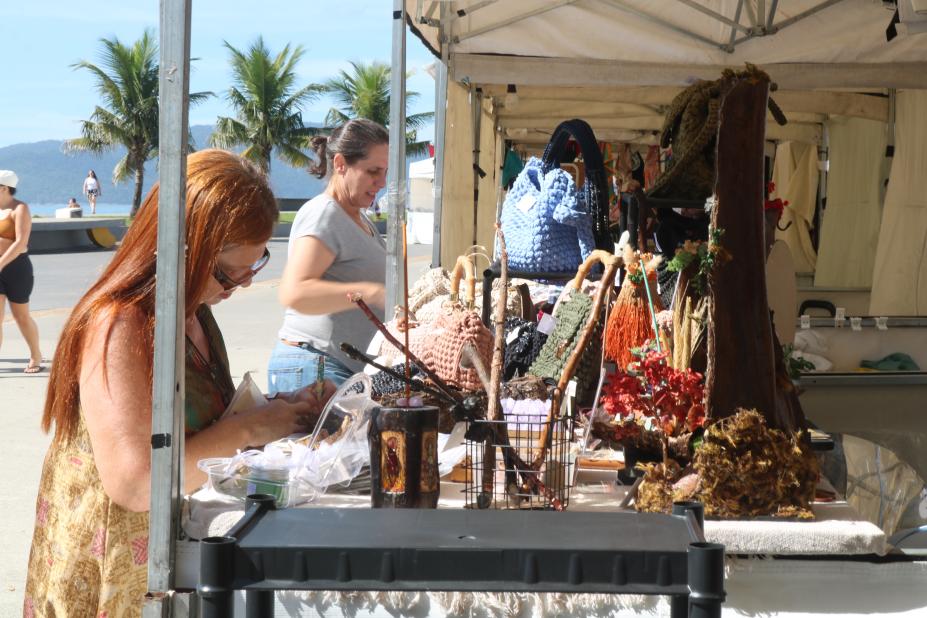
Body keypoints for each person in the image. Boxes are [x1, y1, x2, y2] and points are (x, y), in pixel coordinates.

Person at [23, 150, 335, 616]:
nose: (243, 285)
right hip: (113, 570)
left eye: (256, 266)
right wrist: (250, 429)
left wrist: (278, 411)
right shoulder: (120, 324)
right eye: (228, 273)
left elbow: (198, 429)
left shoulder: (195, 315)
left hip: (168, 558)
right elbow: (136, 482)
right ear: (180, 247)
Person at [269, 119, 389, 392]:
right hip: (316, 367)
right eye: (373, 171)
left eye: (385, 172)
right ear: (340, 164)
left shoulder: (360, 219)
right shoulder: (325, 214)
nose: (381, 182)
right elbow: (295, 293)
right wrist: (369, 293)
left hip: (337, 368)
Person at [0, 169, 43, 373]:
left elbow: (20, 242)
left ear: (4, 188)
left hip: (17, 268)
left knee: (21, 316)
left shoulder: (20, 209)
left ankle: (36, 354)